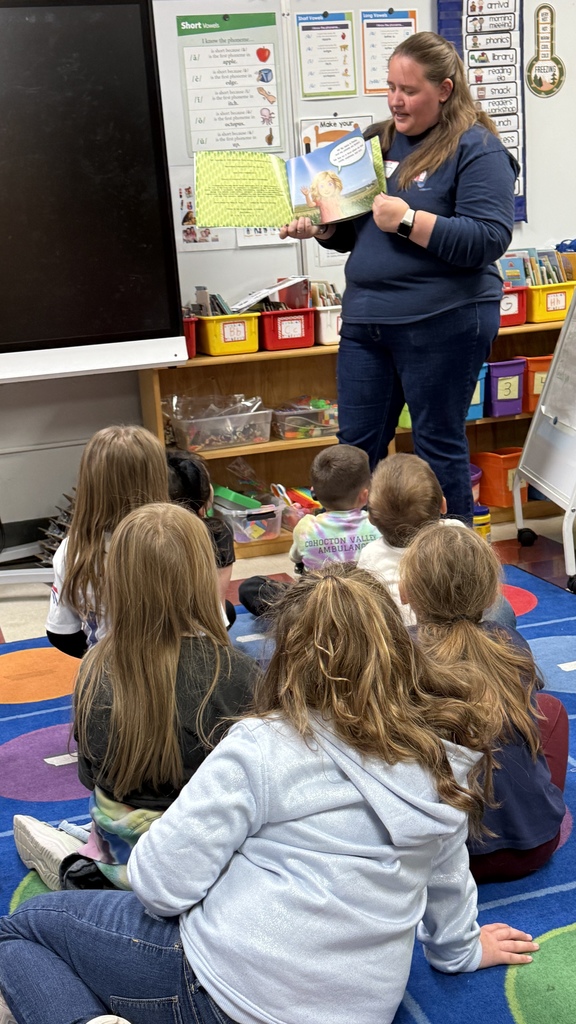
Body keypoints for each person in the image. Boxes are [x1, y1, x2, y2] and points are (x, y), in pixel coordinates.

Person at [0, 564, 538, 1024]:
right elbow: (447, 876)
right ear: (401, 649)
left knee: (16, 931)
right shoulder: (444, 756)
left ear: (288, 655)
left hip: (220, 990)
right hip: (361, 1008)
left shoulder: (263, 744)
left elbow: (161, 889)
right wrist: (461, 949)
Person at [280, 31, 519, 521]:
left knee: (436, 444)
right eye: (390, 87)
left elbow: (487, 239)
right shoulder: (373, 141)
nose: (396, 100)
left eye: (408, 90)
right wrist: (324, 228)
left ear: (445, 90)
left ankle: (450, 576)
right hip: (368, 321)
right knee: (353, 454)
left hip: (444, 319)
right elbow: (355, 235)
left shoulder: (478, 148)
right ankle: (351, 572)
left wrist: (409, 220)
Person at [14, 503, 258, 891]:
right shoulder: (238, 671)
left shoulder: (94, 669)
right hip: (212, 860)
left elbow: (89, 775)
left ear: (119, 578)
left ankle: (82, 860)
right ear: (203, 574)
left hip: (124, 850)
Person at [399, 522, 567, 882]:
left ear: (406, 591)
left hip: (440, 859)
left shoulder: (398, 653)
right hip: (535, 846)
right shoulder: (509, 640)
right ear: (495, 594)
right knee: (549, 710)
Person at [45, 425, 169, 658]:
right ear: (159, 477)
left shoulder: (71, 550)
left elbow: (61, 634)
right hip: (178, 671)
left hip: (108, 675)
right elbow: (213, 625)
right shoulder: (183, 539)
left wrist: (100, 659)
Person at [358, 452, 516, 628]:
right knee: (503, 608)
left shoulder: (369, 554)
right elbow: (484, 583)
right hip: (453, 630)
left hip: (401, 643)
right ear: (443, 505)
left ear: (370, 518)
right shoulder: (455, 531)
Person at [238, 443, 380, 616]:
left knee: (251, 588)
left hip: (316, 606)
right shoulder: (376, 525)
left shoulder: (306, 526)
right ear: (365, 495)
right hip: (366, 605)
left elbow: (295, 557)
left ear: (313, 493)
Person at [167, 448, 237, 627]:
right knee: (228, 609)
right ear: (204, 501)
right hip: (208, 630)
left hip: (163, 635)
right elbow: (217, 603)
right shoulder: (219, 531)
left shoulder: (148, 533)